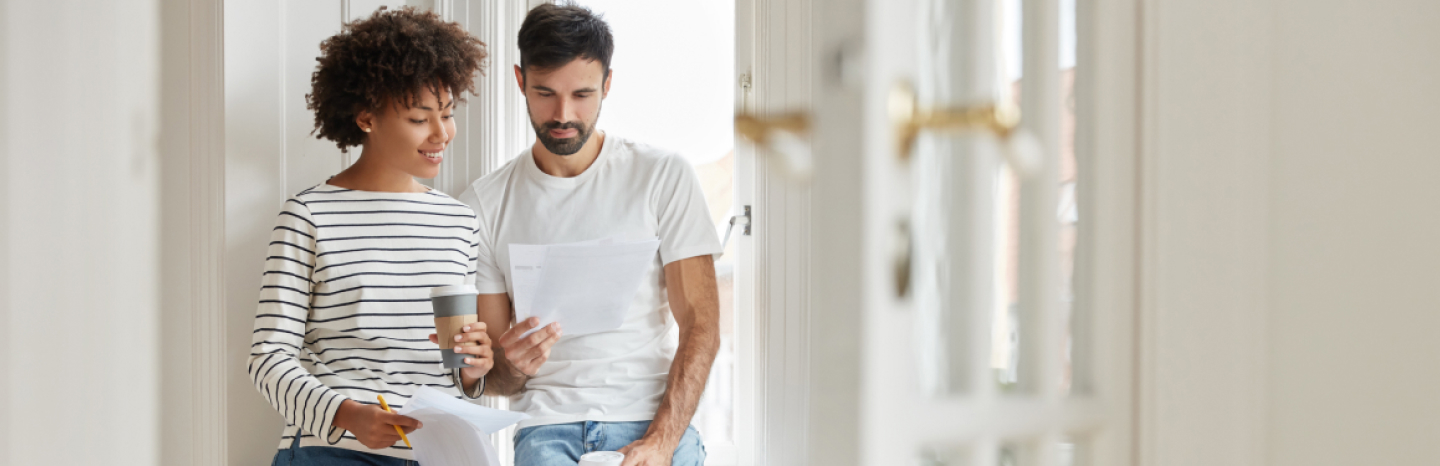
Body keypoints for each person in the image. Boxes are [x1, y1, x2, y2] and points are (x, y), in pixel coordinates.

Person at [452, 3, 722, 465]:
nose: (563, 113)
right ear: (520, 81)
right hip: (547, 427)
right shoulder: (484, 204)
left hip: (652, 418)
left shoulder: (662, 175)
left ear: (607, 85)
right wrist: (511, 365)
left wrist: (661, 442)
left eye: (582, 94)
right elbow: (493, 378)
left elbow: (702, 325)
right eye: (545, 93)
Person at [247, 7, 493, 465]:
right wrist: (346, 414)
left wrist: (475, 370)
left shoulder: (459, 221)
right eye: (420, 118)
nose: (442, 134)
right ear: (366, 117)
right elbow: (268, 357)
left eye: (447, 113)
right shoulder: (308, 215)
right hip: (335, 452)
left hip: (440, 452)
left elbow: (453, 368)